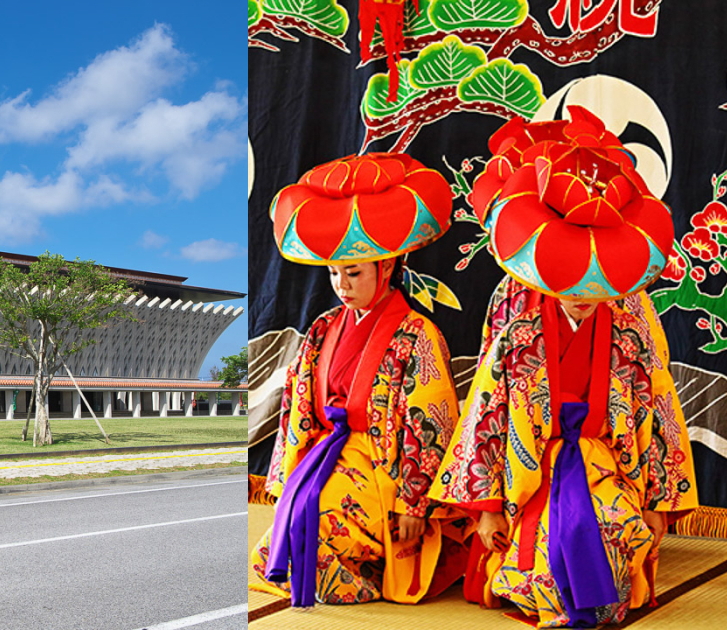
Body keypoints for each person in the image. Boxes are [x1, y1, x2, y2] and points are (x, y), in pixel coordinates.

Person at [429, 111, 697, 627]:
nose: (582, 295)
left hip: (605, 470)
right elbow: (488, 416)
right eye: (569, 282)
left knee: (614, 547)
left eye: (596, 285)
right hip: (533, 474)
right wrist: (486, 506)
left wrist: (658, 502)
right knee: (548, 569)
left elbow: (657, 413)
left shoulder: (629, 327)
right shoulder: (518, 330)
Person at [252, 152, 467, 606]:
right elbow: (297, 407)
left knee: (315, 531)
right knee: (281, 541)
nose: (342, 285)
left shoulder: (417, 335)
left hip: (380, 466)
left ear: (386, 268)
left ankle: (364, 570)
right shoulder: (323, 328)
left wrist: (414, 502)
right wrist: (288, 477)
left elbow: (431, 423)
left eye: (353, 272)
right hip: (324, 455)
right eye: (334, 273)